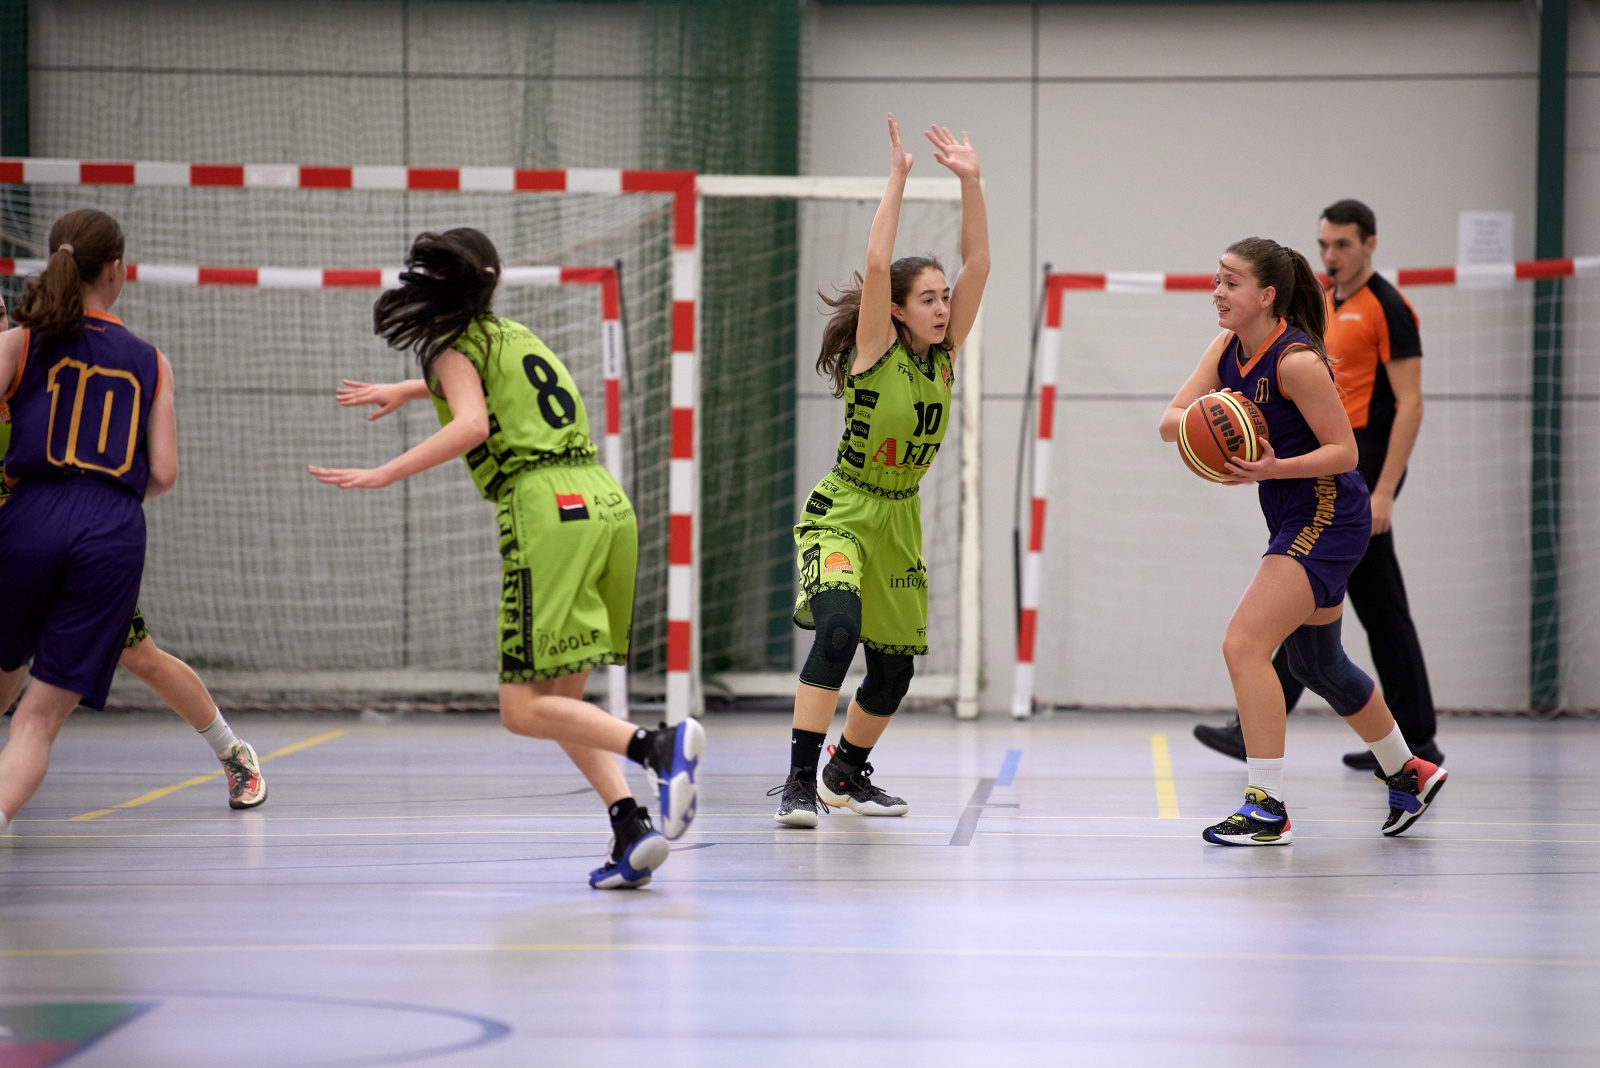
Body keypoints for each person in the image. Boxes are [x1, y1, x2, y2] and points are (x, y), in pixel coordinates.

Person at [309, 227, 702, 888]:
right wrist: (409, 389)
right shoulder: (513, 336)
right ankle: (630, 825)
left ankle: (656, 746)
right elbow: (493, 392)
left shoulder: (450, 348)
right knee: (560, 703)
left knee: (521, 709)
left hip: (548, 510)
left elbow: (473, 424)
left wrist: (385, 472)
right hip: (605, 504)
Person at [1158, 237, 1446, 845]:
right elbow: (1170, 422)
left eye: (1230, 282)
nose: (1217, 291)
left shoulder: (1296, 362)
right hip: (1293, 511)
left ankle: (1267, 807)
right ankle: (1409, 772)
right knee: (1317, 664)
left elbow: (1345, 452)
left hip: (1328, 512)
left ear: (1267, 295)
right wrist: (1219, 418)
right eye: (1217, 279)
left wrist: (1270, 466)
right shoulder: (1227, 349)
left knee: (1243, 644)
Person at [769, 116, 988, 828]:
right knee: (837, 632)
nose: (942, 307)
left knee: (895, 669)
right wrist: (898, 177)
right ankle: (799, 784)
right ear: (895, 310)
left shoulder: (944, 358)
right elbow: (875, 260)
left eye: (944, 297)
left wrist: (972, 182)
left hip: (899, 518)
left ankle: (845, 772)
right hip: (843, 510)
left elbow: (979, 264)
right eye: (928, 298)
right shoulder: (876, 349)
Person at [1, 274, 265, 813]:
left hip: (66, 545)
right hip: (20, 550)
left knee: (140, 657)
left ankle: (231, 750)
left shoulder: (35, 372)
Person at [0, 209, 180, 832]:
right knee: (37, 720)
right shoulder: (152, 361)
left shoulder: (21, 343)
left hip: (29, 515)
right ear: (116, 271)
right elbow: (164, 473)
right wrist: (109, 497)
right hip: (111, 528)